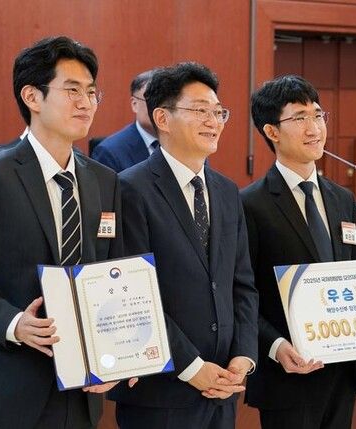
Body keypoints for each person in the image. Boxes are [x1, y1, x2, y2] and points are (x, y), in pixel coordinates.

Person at [0, 36, 131, 429]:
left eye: (92, 92)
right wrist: (14, 323)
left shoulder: (104, 180)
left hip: (81, 388)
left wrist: (120, 354)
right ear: (32, 97)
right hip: (6, 386)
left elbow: (111, 274)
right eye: (72, 90)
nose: (86, 103)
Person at [241, 74, 356, 429]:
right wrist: (275, 346)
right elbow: (243, 293)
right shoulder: (249, 204)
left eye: (318, 115)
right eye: (300, 118)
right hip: (288, 376)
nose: (314, 128)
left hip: (342, 372)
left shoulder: (342, 199)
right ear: (272, 131)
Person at [108, 62, 259, 429]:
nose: (213, 121)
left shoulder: (227, 191)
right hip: (161, 393)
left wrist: (243, 357)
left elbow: (242, 285)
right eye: (200, 110)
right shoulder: (129, 189)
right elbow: (133, 298)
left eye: (218, 112)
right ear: (162, 117)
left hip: (223, 386)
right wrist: (192, 367)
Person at [91, 70, 158, 172]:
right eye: (152, 101)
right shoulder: (109, 152)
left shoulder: (180, 143)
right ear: (134, 104)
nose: (159, 109)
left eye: (165, 101)